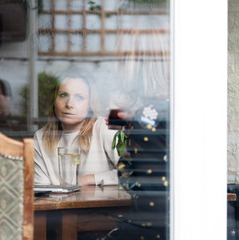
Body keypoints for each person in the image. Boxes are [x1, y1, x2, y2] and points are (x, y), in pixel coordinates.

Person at [103, 15, 170, 240]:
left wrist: (135, 131)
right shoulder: (173, 110)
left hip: (153, 229)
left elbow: (130, 180)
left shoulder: (147, 117)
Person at [34, 72, 120, 186]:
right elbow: (41, 190)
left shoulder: (105, 128)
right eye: (63, 95)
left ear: (90, 104)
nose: (69, 104)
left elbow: (133, 173)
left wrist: (89, 179)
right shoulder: (41, 137)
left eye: (79, 97)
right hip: (58, 204)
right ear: (54, 101)